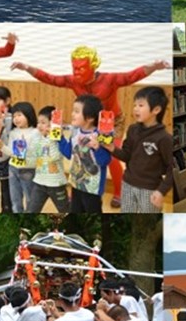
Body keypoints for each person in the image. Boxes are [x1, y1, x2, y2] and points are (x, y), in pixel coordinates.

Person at [12, 45, 166, 205]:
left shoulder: (109, 80)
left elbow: (131, 76)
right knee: (79, 152)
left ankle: (119, 192)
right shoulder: (73, 81)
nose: (76, 72)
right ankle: (79, 187)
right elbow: (50, 78)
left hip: (112, 122)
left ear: (92, 66)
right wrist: (27, 68)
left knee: (112, 157)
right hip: (85, 123)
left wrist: (154, 67)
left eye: (81, 68)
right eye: (74, 68)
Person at [111, 87, 173, 213]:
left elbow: (172, 168)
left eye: (141, 105)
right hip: (127, 184)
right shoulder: (132, 130)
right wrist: (111, 148)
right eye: (134, 105)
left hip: (150, 190)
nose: (135, 109)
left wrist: (161, 191)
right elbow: (126, 155)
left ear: (156, 109)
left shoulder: (164, 138)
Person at [61, 95, 113, 213]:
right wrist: (60, 137)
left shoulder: (101, 135)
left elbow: (105, 161)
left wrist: (97, 147)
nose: (72, 114)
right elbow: (68, 153)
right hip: (76, 183)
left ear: (89, 117)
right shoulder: (75, 132)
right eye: (73, 110)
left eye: (77, 111)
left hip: (92, 189)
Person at [28, 104, 71, 213]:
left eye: (43, 123)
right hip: (39, 182)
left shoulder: (58, 140)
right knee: (31, 210)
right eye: (38, 122)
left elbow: (55, 157)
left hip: (56, 184)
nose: (39, 126)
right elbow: (32, 153)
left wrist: (53, 136)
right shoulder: (38, 138)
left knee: (65, 210)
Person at [6, 103, 40, 214]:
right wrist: (1, 147)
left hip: (28, 168)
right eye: (14, 116)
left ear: (28, 115)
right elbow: (11, 152)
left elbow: (36, 152)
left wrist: (24, 149)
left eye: (19, 115)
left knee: (30, 198)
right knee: (15, 198)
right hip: (13, 167)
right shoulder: (13, 132)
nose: (16, 119)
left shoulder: (35, 132)